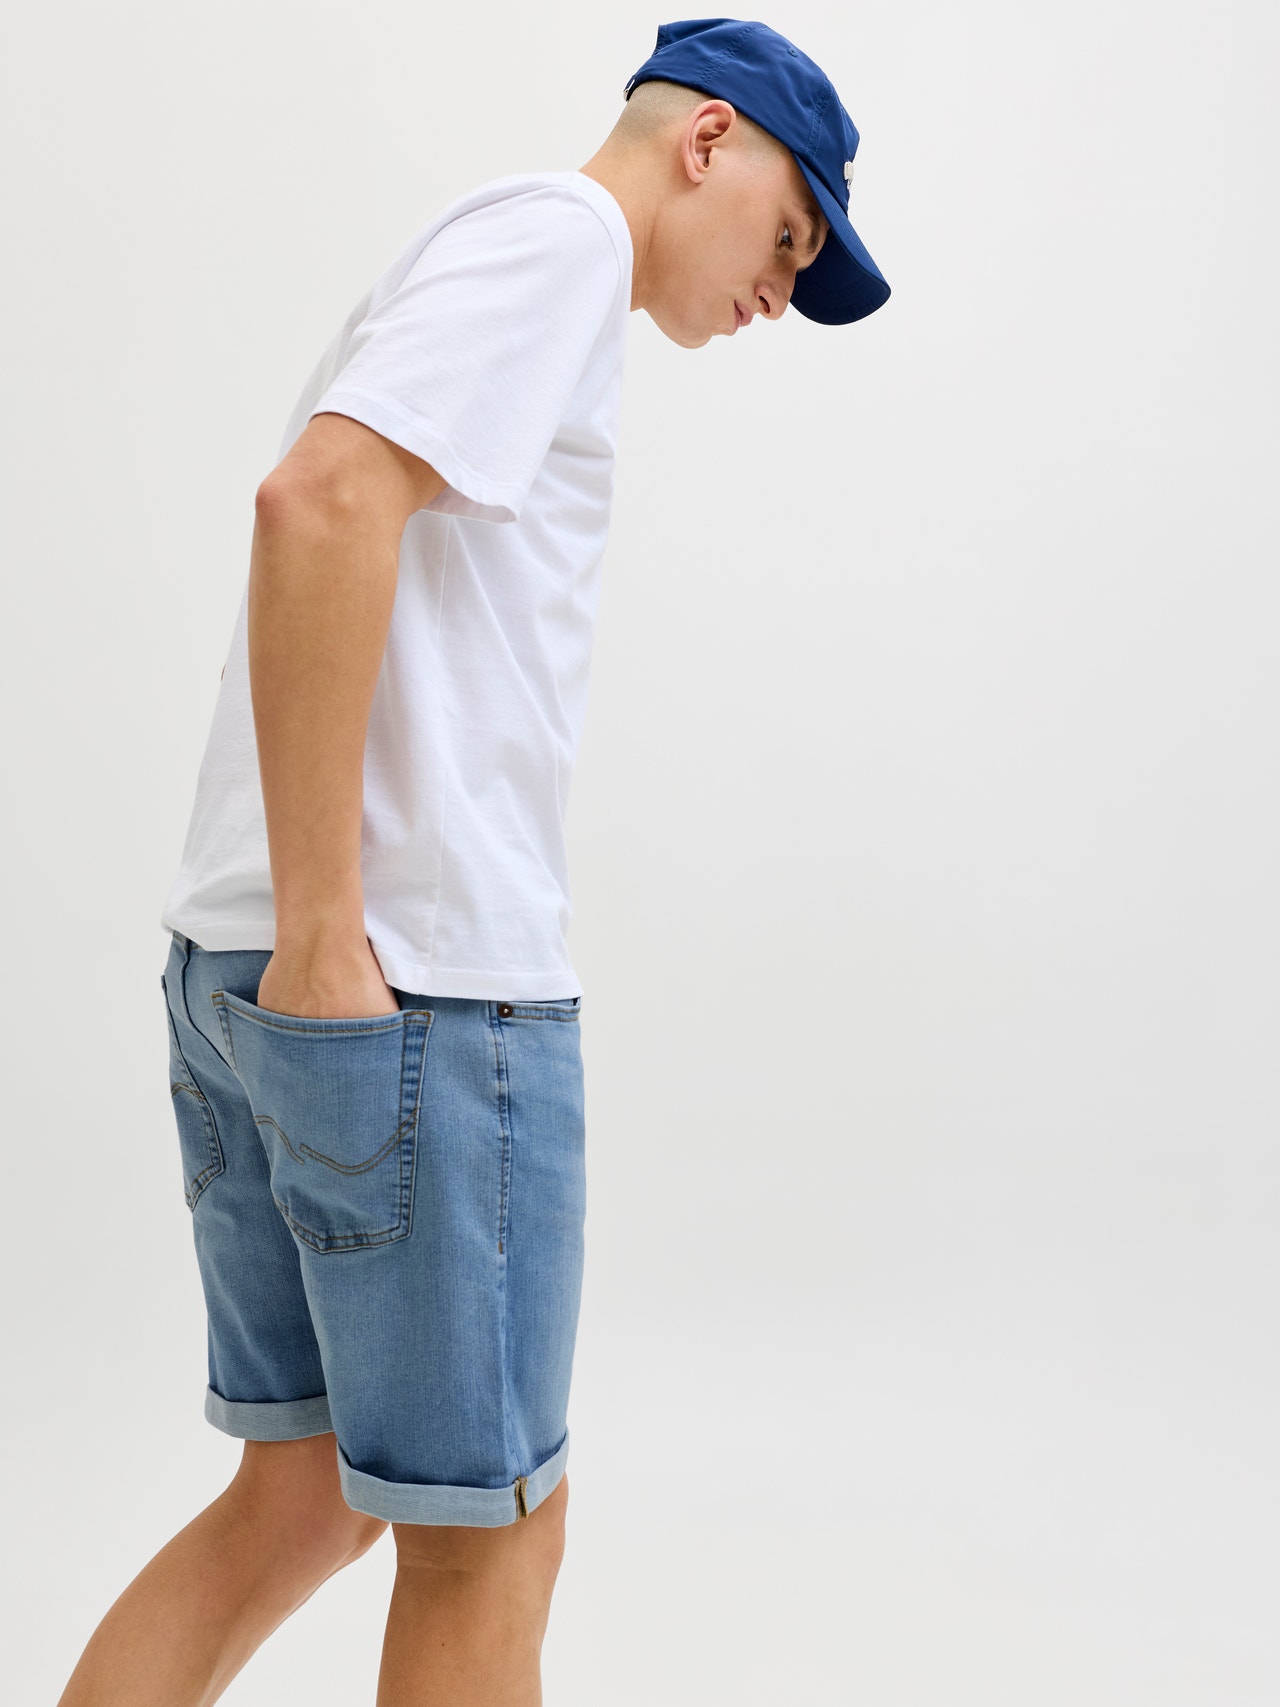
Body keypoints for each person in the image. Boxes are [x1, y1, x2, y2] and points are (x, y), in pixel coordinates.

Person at [57, 18, 890, 1706]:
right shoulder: (564, 239)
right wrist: (330, 939)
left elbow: (332, 500)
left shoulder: (509, 250)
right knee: (489, 1541)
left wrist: (298, 947)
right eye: (792, 236)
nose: (780, 290)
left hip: (258, 973)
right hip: (409, 992)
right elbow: (318, 502)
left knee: (300, 1496)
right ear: (708, 143)